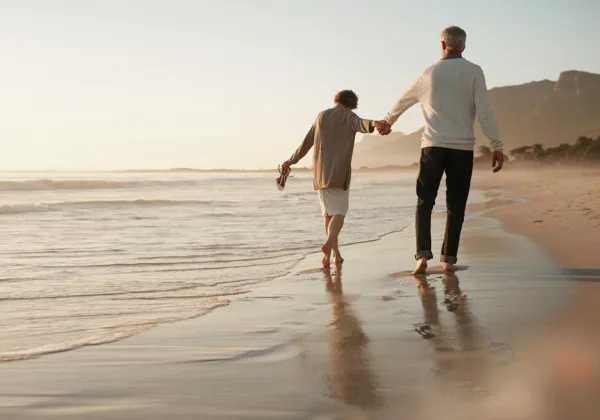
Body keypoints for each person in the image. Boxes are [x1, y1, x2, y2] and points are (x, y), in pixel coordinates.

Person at [379, 26, 504, 274]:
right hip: (462, 149)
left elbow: (404, 99)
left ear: (442, 44)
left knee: (425, 202)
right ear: (464, 46)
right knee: (456, 205)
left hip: (433, 147)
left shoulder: (429, 73)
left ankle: (422, 258)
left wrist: (387, 121)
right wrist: (497, 144)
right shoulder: (474, 72)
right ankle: (448, 260)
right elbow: (485, 111)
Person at [282, 90, 389, 268]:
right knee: (339, 212)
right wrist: (375, 123)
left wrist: (291, 160)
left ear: (337, 100)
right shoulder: (349, 116)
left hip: (321, 173)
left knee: (329, 214)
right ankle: (331, 250)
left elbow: (307, 142)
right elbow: (362, 124)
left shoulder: (322, 116)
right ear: (352, 104)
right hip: (340, 173)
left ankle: (331, 255)